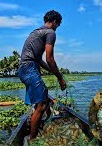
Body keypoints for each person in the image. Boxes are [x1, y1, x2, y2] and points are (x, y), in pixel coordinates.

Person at [18, 10, 67, 141]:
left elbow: (40, 60)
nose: (57, 28)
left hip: (26, 68)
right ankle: (32, 139)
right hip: (29, 68)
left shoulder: (36, 32)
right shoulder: (50, 32)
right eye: (58, 24)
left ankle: (45, 120)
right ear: (55, 22)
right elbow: (50, 58)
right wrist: (60, 77)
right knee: (41, 105)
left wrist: (53, 71)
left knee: (44, 95)